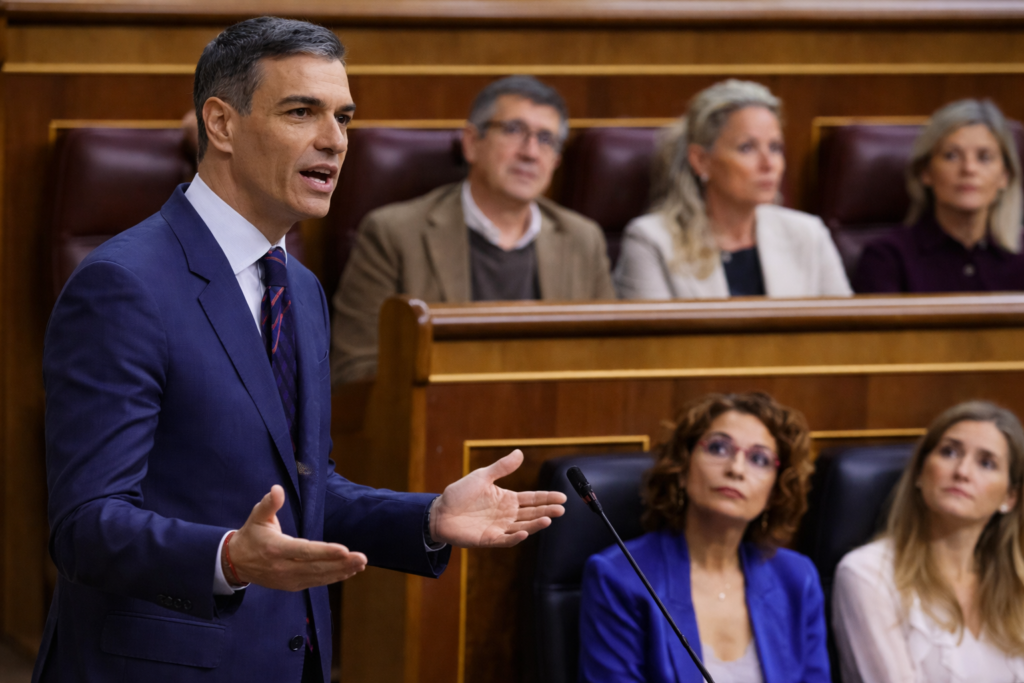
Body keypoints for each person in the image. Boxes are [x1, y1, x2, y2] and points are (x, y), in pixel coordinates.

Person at [34, 17, 566, 683]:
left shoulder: (301, 287)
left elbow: (302, 490)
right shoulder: (124, 284)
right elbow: (86, 524)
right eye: (301, 112)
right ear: (222, 125)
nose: (334, 140)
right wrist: (228, 555)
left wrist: (427, 515)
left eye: (343, 117)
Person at [330, 75, 615, 385]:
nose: (531, 152)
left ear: (556, 160)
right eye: (514, 130)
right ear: (471, 142)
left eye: (546, 139)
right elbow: (352, 369)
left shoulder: (583, 240)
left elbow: (609, 360)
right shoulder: (394, 234)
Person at [579, 392, 830, 683]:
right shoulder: (619, 577)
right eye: (719, 448)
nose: (736, 469)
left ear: (775, 491)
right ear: (682, 468)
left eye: (759, 459)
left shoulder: (797, 579)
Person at [832, 401, 1024, 682]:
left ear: (1010, 498)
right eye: (949, 452)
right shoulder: (867, 574)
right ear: (921, 472)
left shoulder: (1017, 582)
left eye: (986, 463)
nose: (962, 471)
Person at [614, 79, 851, 300]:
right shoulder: (652, 242)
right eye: (747, 148)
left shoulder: (808, 234)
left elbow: (846, 336)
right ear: (701, 160)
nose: (769, 164)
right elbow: (652, 345)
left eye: (775, 147)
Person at [854, 99, 1024, 293]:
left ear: (1005, 176)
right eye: (951, 155)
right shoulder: (887, 258)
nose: (969, 169)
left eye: (984, 157)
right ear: (925, 171)